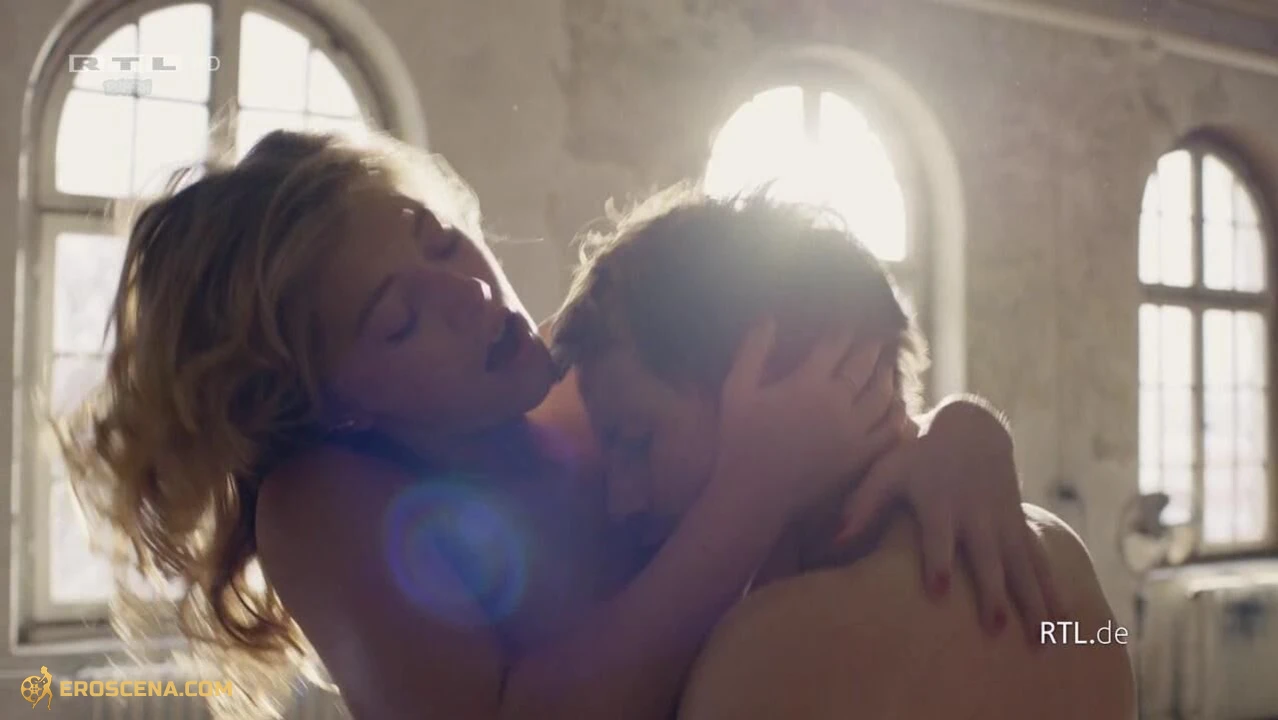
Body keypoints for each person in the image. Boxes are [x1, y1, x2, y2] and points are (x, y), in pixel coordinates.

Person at [59, 130, 1051, 720]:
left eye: (438, 241)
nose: (467, 291)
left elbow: (835, 393)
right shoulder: (321, 501)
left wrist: (964, 439)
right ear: (325, 402)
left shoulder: (576, 378)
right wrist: (750, 495)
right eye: (400, 320)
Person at [550, 187, 1137, 719]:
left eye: (636, 440)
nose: (619, 500)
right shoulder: (1064, 561)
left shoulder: (777, 647)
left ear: (767, 380)